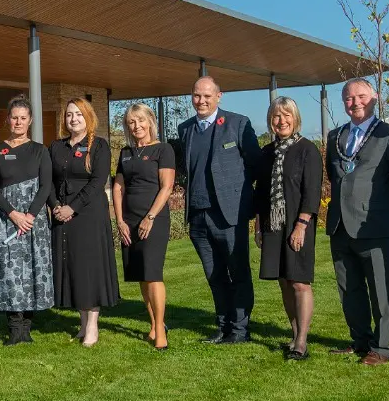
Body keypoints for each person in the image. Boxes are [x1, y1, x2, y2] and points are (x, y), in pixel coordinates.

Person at [325, 78, 389, 365]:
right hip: (340, 226)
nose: (356, 103)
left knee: (380, 289)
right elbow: (334, 176)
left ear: (374, 97)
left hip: (374, 225)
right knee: (349, 288)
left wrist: (383, 207)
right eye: (349, 99)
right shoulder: (334, 136)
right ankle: (360, 340)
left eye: (361, 96)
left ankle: (383, 347)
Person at [169, 76, 262, 344]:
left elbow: (255, 165)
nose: (201, 101)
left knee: (238, 272)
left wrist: (239, 197)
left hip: (229, 215)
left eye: (207, 96)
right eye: (197, 96)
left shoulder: (237, 123)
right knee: (214, 274)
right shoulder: (185, 128)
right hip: (198, 215)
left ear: (219, 96)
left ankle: (241, 330)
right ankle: (223, 326)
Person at [253, 97, 323, 361]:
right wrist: (259, 225)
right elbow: (260, 192)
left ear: (295, 118)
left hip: (297, 224)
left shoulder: (308, 150)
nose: (281, 121)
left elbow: (312, 191)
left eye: (286, 116)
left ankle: (302, 342)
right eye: (276, 117)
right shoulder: (267, 152)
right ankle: (294, 334)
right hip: (272, 224)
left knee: (299, 282)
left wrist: (301, 225)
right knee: (283, 280)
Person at [48, 98, 120, 346]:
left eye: (79, 114)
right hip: (62, 215)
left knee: (89, 269)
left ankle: (92, 326)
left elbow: (98, 182)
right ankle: (82, 322)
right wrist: (56, 205)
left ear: (88, 117)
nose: (73, 119)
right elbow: (48, 181)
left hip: (89, 215)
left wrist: (72, 207)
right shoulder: (56, 147)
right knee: (73, 267)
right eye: (69, 115)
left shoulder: (99, 146)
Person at [0, 98, 54, 345]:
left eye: (23, 118)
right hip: (6, 218)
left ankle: (27, 327)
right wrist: (13, 214)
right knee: (9, 270)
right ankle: (14, 328)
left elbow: (46, 185)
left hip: (34, 220)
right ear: (7, 119)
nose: (18, 122)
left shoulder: (40, 150)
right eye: (14, 117)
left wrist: (31, 215)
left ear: (30, 121)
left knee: (33, 270)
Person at [112, 103, 175, 350]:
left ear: (150, 121)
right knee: (140, 275)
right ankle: (152, 324)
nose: (136, 126)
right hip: (129, 220)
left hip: (154, 219)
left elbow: (166, 187)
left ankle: (161, 329)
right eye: (131, 122)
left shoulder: (163, 149)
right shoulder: (125, 152)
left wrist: (150, 218)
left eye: (140, 121)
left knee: (152, 273)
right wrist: (119, 221)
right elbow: (118, 188)